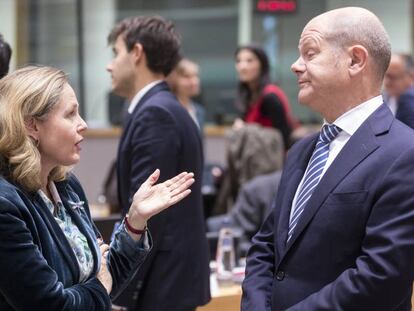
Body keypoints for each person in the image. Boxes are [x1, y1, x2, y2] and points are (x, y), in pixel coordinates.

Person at [242, 7, 414, 311]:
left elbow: (381, 277)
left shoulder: (404, 152)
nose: (296, 66)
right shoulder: (301, 151)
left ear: (355, 60)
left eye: (310, 53)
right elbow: (266, 245)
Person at [0, 65, 195, 311]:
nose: (83, 124)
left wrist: (135, 221)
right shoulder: (6, 205)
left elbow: (108, 275)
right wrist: (100, 287)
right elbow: (51, 305)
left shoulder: (66, 186)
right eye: (70, 114)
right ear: (32, 125)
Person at [106, 16, 210, 311]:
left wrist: (121, 291)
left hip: (160, 284)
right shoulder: (159, 107)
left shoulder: (156, 113)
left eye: (116, 53)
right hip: (167, 281)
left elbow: (150, 213)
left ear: (136, 53)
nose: (110, 65)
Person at [234, 44, 298, 149]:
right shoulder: (248, 96)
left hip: (273, 161)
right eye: (238, 61)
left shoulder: (270, 96)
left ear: (262, 65)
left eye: (249, 61)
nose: (242, 67)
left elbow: (284, 138)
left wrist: (245, 130)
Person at [167, 58, 205, 132]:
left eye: (196, 76)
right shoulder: (167, 110)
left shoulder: (199, 111)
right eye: (187, 76)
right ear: (174, 79)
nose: (194, 81)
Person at [384, 53, 414, 129]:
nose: (386, 82)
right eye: (385, 76)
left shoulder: (409, 99)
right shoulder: (386, 97)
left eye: (393, 77)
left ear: (411, 76)